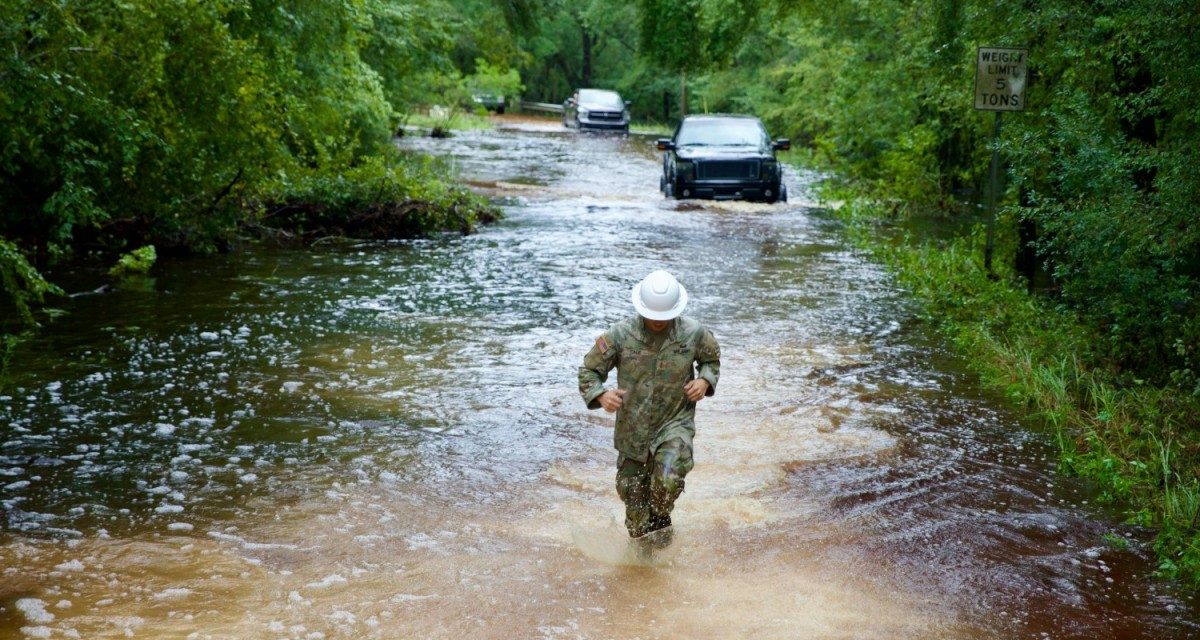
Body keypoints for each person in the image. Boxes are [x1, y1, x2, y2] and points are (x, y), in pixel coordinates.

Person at [578, 269, 721, 549]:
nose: (658, 322)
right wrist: (601, 395)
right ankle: (647, 568)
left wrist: (705, 380)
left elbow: (711, 360)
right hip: (633, 430)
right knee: (635, 508)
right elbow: (588, 371)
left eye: (664, 317)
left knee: (667, 481)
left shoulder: (693, 333)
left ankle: (662, 521)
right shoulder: (619, 335)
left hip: (674, 423)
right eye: (653, 316)